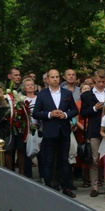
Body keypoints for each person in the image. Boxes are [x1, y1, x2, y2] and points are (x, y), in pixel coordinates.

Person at [33, 69, 79, 198]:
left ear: (60, 79)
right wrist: (49, 114)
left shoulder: (66, 93)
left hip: (64, 130)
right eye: (52, 77)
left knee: (64, 160)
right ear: (47, 79)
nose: (55, 79)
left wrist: (65, 114)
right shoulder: (42, 94)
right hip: (49, 131)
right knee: (48, 160)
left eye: (57, 77)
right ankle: (49, 186)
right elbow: (36, 113)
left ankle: (66, 187)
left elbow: (74, 110)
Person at [81, 69, 105, 197]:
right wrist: (94, 108)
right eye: (99, 81)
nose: (101, 84)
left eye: (103, 81)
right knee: (94, 159)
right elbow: (83, 113)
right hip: (94, 129)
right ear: (94, 80)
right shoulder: (87, 95)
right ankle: (95, 186)